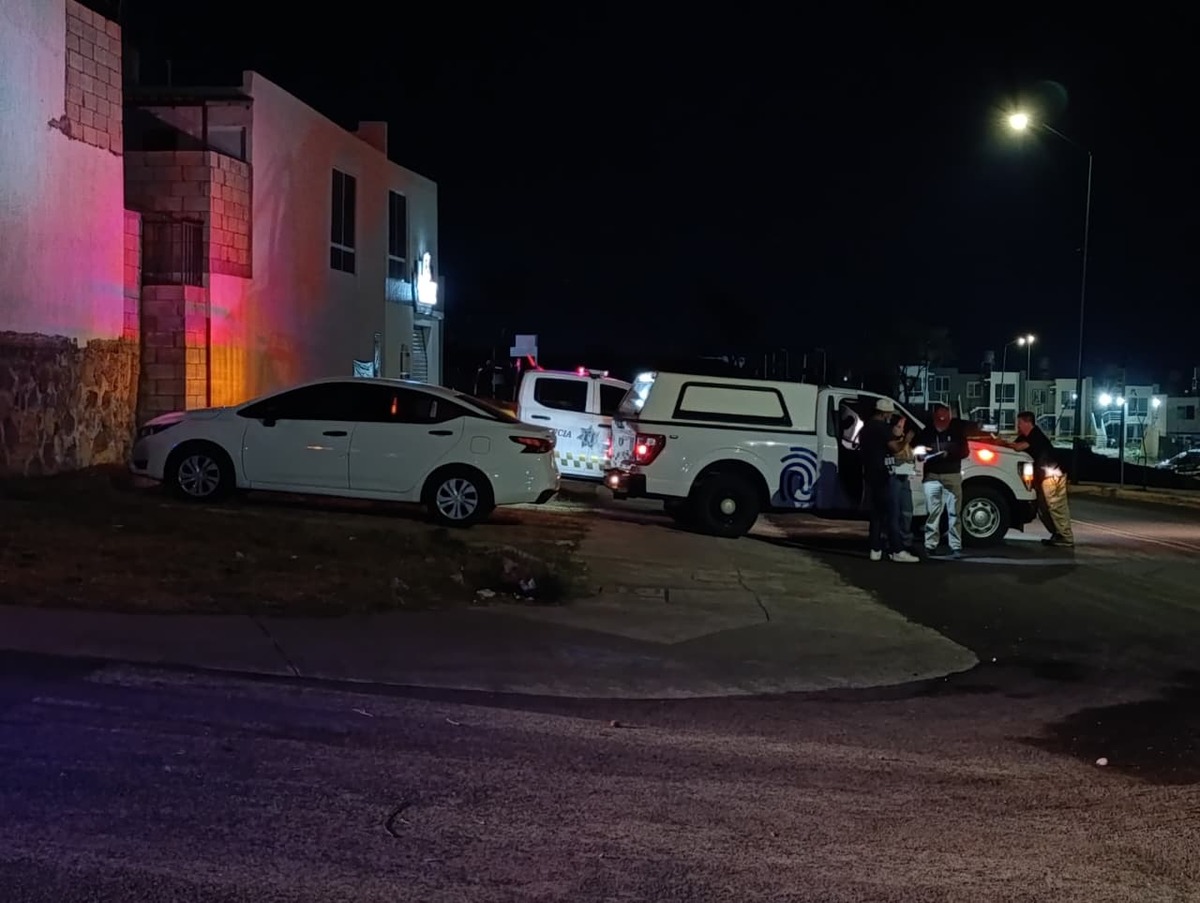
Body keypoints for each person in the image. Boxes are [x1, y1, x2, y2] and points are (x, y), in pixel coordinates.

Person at [859, 398, 919, 563]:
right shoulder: (882, 428)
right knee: (892, 513)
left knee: (876, 514)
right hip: (883, 474)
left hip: (870, 474)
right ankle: (897, 550)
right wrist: (906, 440)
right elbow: (895, 448)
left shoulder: (865, 429)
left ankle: (875, 549)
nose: (890, 416)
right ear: (884, 413)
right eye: (889, 413)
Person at [1010, 411, 1074, 547]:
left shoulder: (1035, 435)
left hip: (1053, 475)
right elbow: (1015, 445)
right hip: (1046, 475)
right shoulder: (1026, 436)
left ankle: (1065, 537)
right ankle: (1058, 534)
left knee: (1056, 506)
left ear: (1028, 422)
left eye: (1019, 423)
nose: (1017, 426)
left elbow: (1018, 447)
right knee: (1044, 508)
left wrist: (1001, 443)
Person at [915, 403, 970, 558]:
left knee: (954, 513)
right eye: (940, 415)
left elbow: (965, 452)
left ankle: (955, 546)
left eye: (945, 415)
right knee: (933, 512)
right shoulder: (926, 432)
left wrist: (949, 454)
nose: (943, 418)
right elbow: (918, 452)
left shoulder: (957, 432)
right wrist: (924, 455)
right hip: (932, 476)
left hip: (952, 474)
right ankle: (930, 545)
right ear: (935, 416)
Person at [889, 414, 917, 554]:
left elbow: (909, 456)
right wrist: (906, 441)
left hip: (905, 478)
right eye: (899, 426)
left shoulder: (903, 441)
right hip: (894, 478)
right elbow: (896, 452)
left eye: (903, 427)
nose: (902, 430)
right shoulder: (891, 441)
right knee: (894, 511)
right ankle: (893, 542)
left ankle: (906, 541)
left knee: (907, 511)